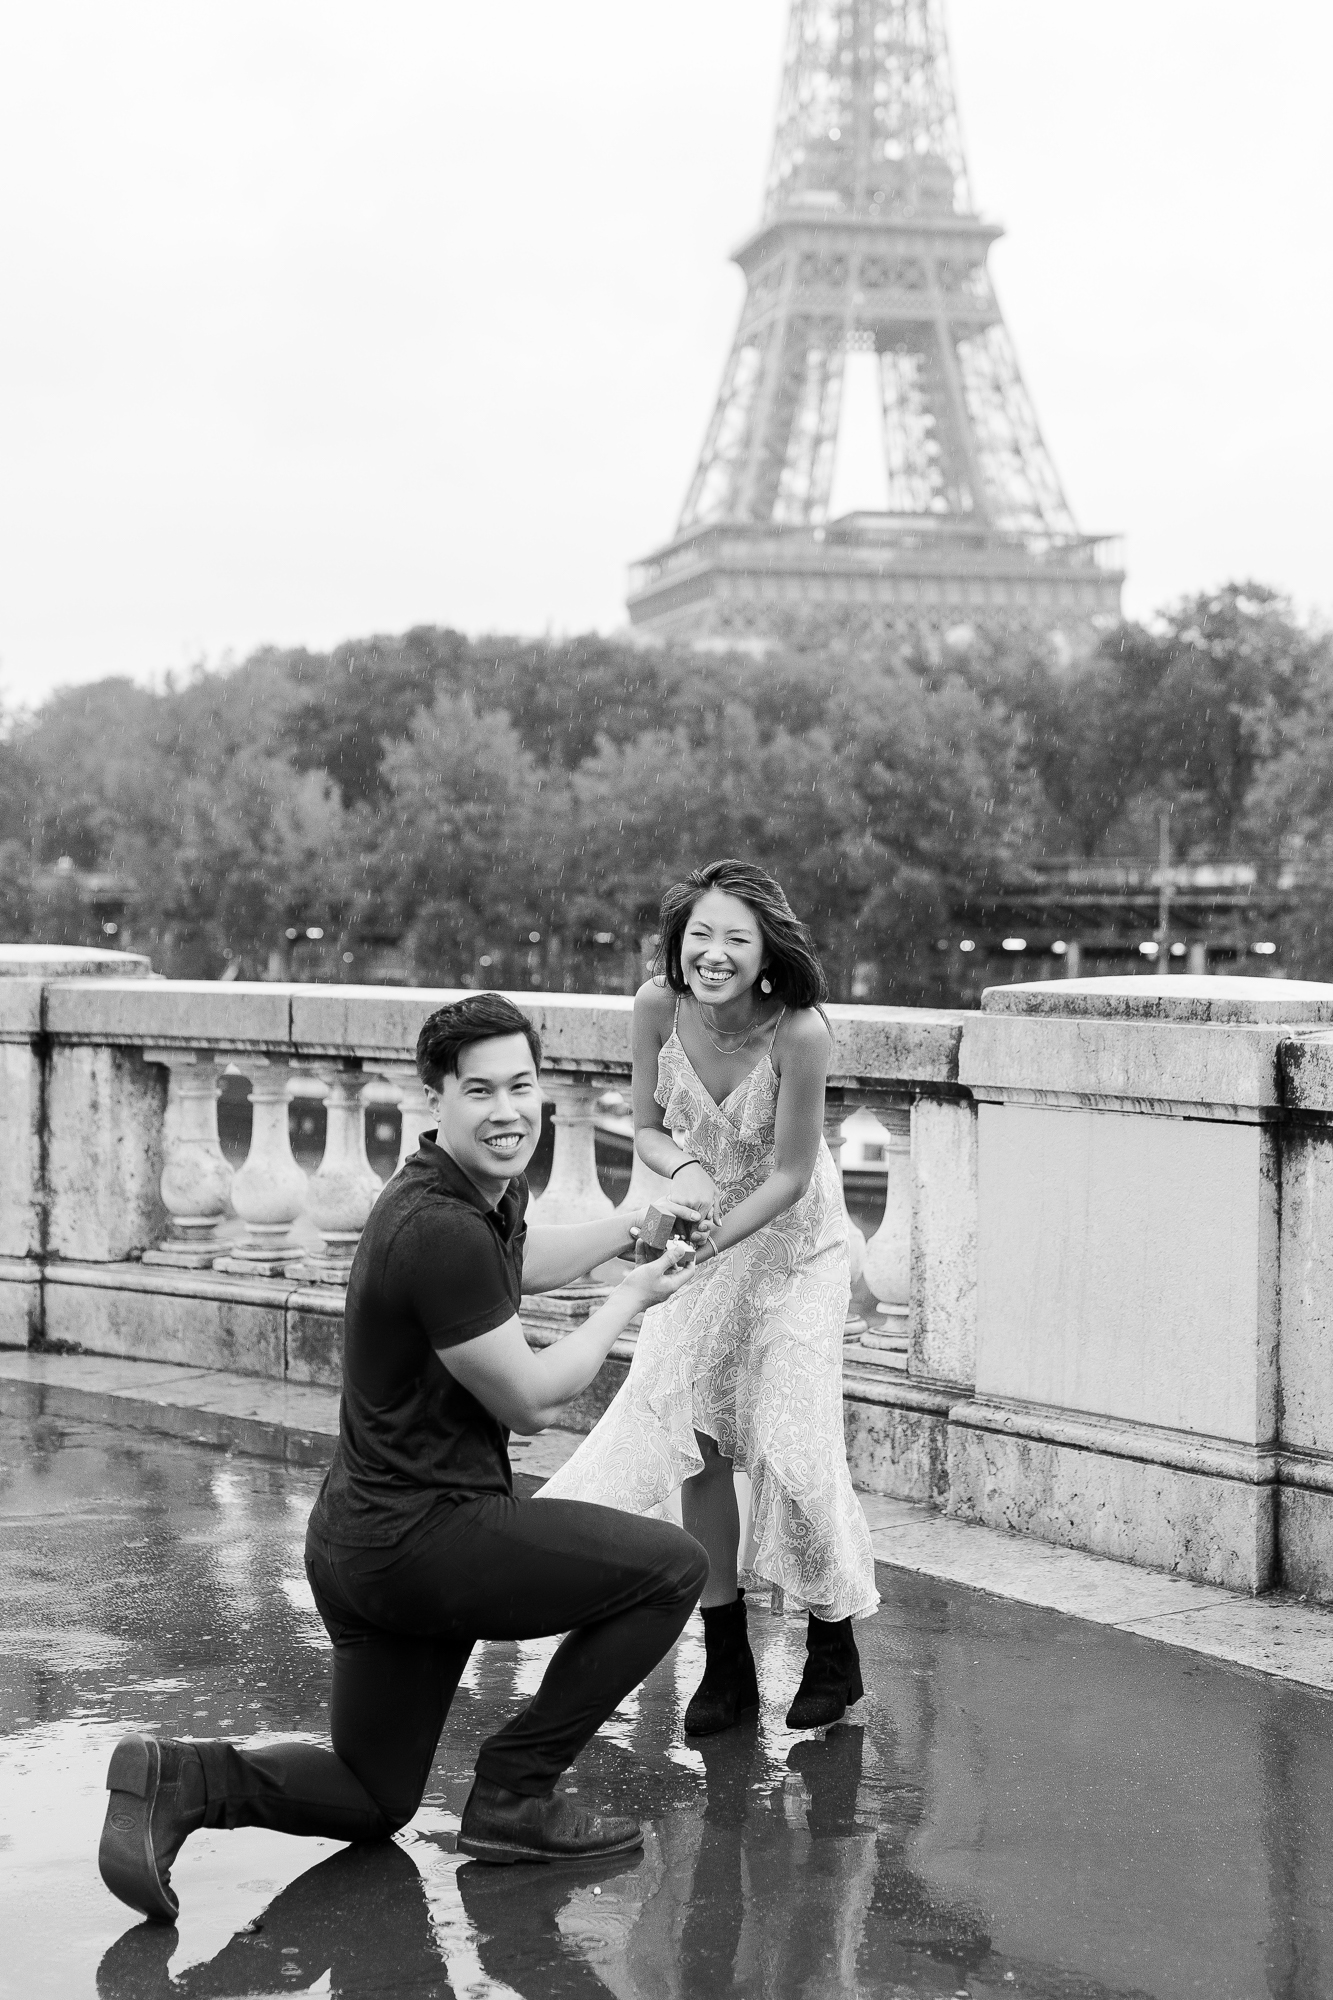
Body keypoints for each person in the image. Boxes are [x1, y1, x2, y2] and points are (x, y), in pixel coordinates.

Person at [98, 993, 709, 1925]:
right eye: (480, 1092)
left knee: (373, 1796)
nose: (507, 1111)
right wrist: (630, 1299)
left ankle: (181, 1779)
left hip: (361, 1541)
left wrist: (632, 1230)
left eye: (523, 1086)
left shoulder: (466, 1195)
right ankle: (514, 1792)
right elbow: (535, 1401)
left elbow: (522, 1258)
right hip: (428, 1539)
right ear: (436, 1100)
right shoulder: (440, 1231)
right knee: (671, 1571)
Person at [540, 859, 879, 1735]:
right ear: (677, 944)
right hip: (703, 1232)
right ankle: (723, 1652)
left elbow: (792, 1176)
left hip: (793, 1249)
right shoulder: (656, 1006)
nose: (712, 953)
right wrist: (684, 1171)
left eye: (734, 938)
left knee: (792, 1445)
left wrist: (706, 1241)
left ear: (767, 949)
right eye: (699, 935)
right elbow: (647, 1128)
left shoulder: (800, 1032)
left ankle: (832, 1641)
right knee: (700, 1442)